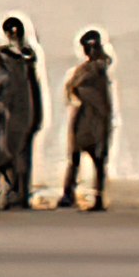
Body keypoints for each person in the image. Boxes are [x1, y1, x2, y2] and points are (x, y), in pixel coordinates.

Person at [0, 18, 44, 213]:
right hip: (9, 111)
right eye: (10, 30)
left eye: (16, 30)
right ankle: (8, 191)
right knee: (6, 151)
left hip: (26, 110)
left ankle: (20, 194)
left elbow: (33, 85)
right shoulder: (1, 55)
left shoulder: (28, 55)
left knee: (22, 154)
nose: (13, 34)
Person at [59, 30, 115, 210]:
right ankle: (70, 194)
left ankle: (95, 197)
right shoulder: (88, 69)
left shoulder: (95, 69)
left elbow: (78, 90)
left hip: (95, 119)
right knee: (77, 158)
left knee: (96, 159)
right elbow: (72, 91)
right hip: (84, 118)